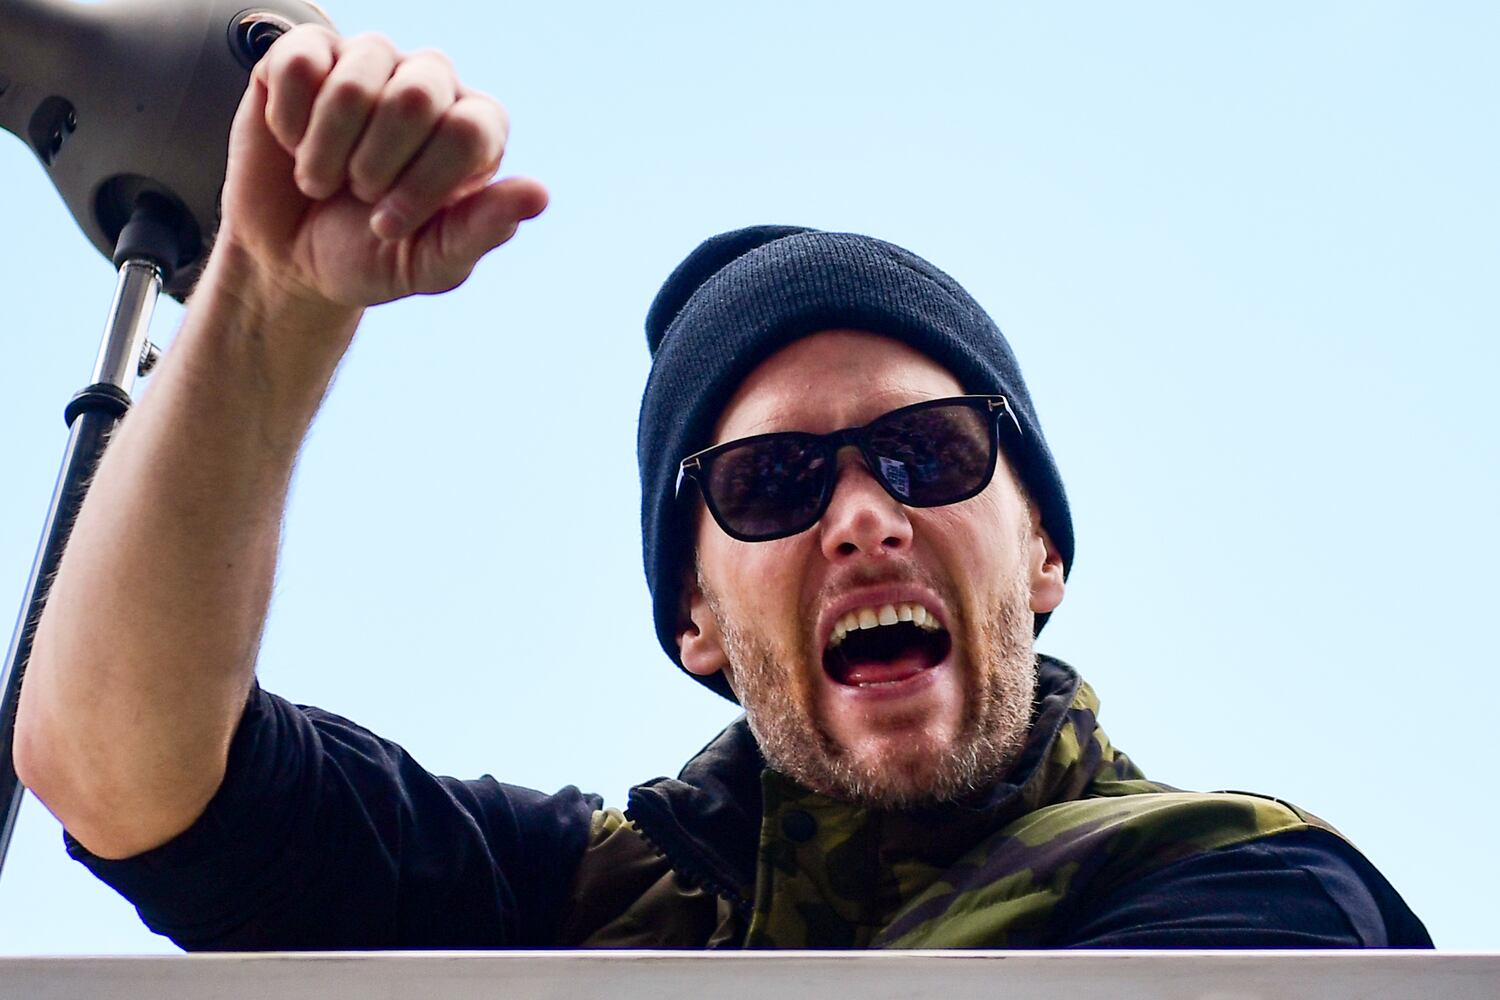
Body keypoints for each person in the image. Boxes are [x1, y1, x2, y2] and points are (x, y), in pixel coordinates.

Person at [13, 27, 1429, 949]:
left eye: (933, 452)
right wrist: (269, 304)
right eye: (771, 482)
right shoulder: (581, 901)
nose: (863, 518)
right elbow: (116, 770)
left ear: (1043, 550)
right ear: (693, 617)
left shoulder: (1244, 883)